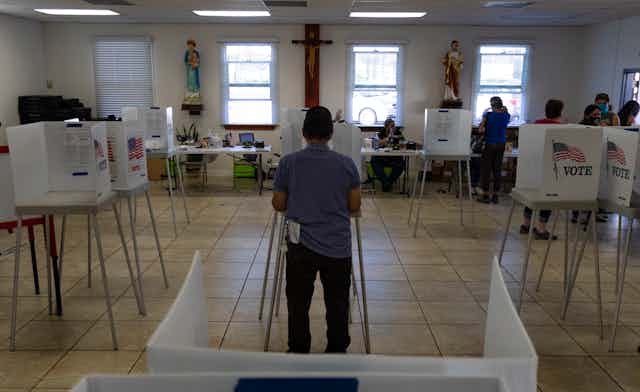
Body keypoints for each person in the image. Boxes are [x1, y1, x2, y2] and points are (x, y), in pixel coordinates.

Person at [272, 106, 361, 354]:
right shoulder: (346, 164)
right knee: (337, 303)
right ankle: (337, 350)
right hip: (337, 246)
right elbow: (354, 205)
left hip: (300, 246)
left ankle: (299, 349)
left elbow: (279, 204)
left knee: (298, 303)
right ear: (331, 133)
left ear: (303, 132)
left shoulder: (288, 162)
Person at [521, 99, 565, 239]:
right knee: (548, 197)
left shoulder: (536, 124)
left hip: (533, 164)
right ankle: (541, 229)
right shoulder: (560, 127)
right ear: (560, 111)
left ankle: (525, 225)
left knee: (532, 195)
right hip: (550, 167)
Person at [477, 96, 510, 204]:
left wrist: (483, 117)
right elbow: (506, 119)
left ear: (492, 105)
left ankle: (485, 195)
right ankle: (495, 195)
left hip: (490, 144)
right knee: (497, 169)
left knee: (486, 170)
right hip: (501, 144)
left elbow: (481, 130)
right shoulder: (506, 115)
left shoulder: (488, 115)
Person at [370, 118, 405, 192]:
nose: (392, 128)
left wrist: (399, 142)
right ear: (385, 127)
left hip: (395, 158)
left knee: (402, 164)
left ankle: (388, 182)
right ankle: (385, 182)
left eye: (393, 126)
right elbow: (376, 143)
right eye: (390, 126)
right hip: (383, 157)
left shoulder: (398, 132)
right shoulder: (381, 132)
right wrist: (388, 137)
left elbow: (403, 144)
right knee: (373, 161)